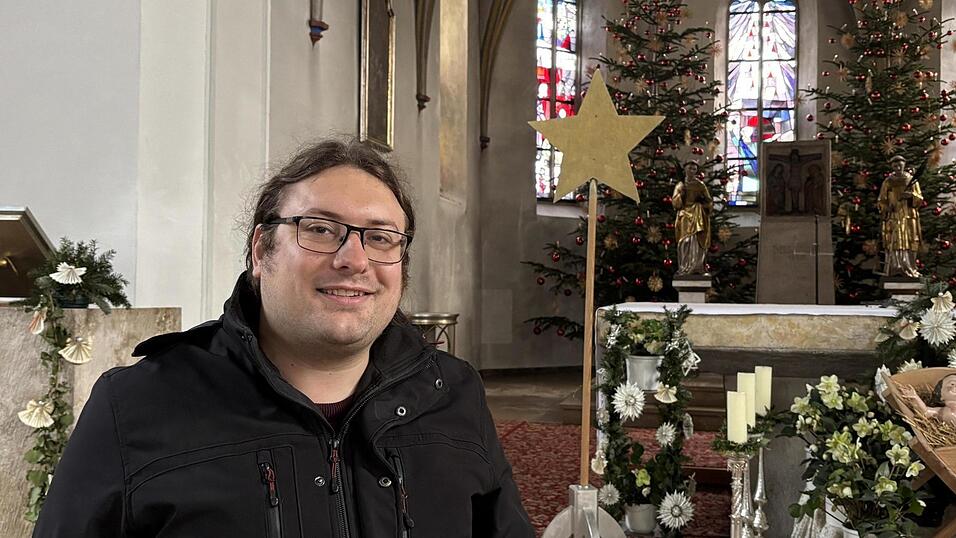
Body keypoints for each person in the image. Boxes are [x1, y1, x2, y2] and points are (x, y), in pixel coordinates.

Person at [33, 139, 534, 537]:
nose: (354, 260)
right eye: (319, 229)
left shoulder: (452, 392)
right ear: (260, 250)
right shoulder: (136, 405)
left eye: (381, 237)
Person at [878, 155, 923, 278]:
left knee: (910, 239)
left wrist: (911, 196)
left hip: (908, 215)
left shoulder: (911, 180)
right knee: (894, 241)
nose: (898, 168)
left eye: (900, 165)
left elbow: (919, 198)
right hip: (894, 216)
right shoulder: (888, 181)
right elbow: (881, 200)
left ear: (904, 165)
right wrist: (887, 207)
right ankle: (895, 267)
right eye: (895, 166)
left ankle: (910, 267)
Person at [672, 161, 713, 276]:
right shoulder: (680, 185)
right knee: (685, 241)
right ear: (685, 170)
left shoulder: (700, 185)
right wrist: (681, 195)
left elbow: (709, 202)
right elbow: (675, 203)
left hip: (697, 214)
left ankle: (697, 266)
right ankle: (684, 266)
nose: (692, 171)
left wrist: (703, 203)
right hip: (684, 215)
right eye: (690, 168)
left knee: (696, 240)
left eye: (694, 169)